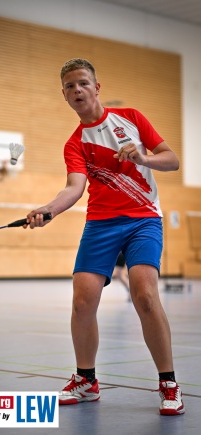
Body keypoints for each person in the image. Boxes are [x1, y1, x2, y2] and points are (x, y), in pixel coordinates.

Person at [23, 58, 184, 415]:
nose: (76, 89)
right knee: (82, 301)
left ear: (97, 88)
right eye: (69, 86)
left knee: (144, 295)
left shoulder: (131, 118)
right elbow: (74, 188)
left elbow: (172, 160)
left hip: (143, 219)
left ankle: (169, 383)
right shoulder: (75, 143)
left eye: (82, 83)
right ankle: (86, 381)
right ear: (64, 96)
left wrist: (143, 157)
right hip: (100, 223)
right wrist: (48, 209)